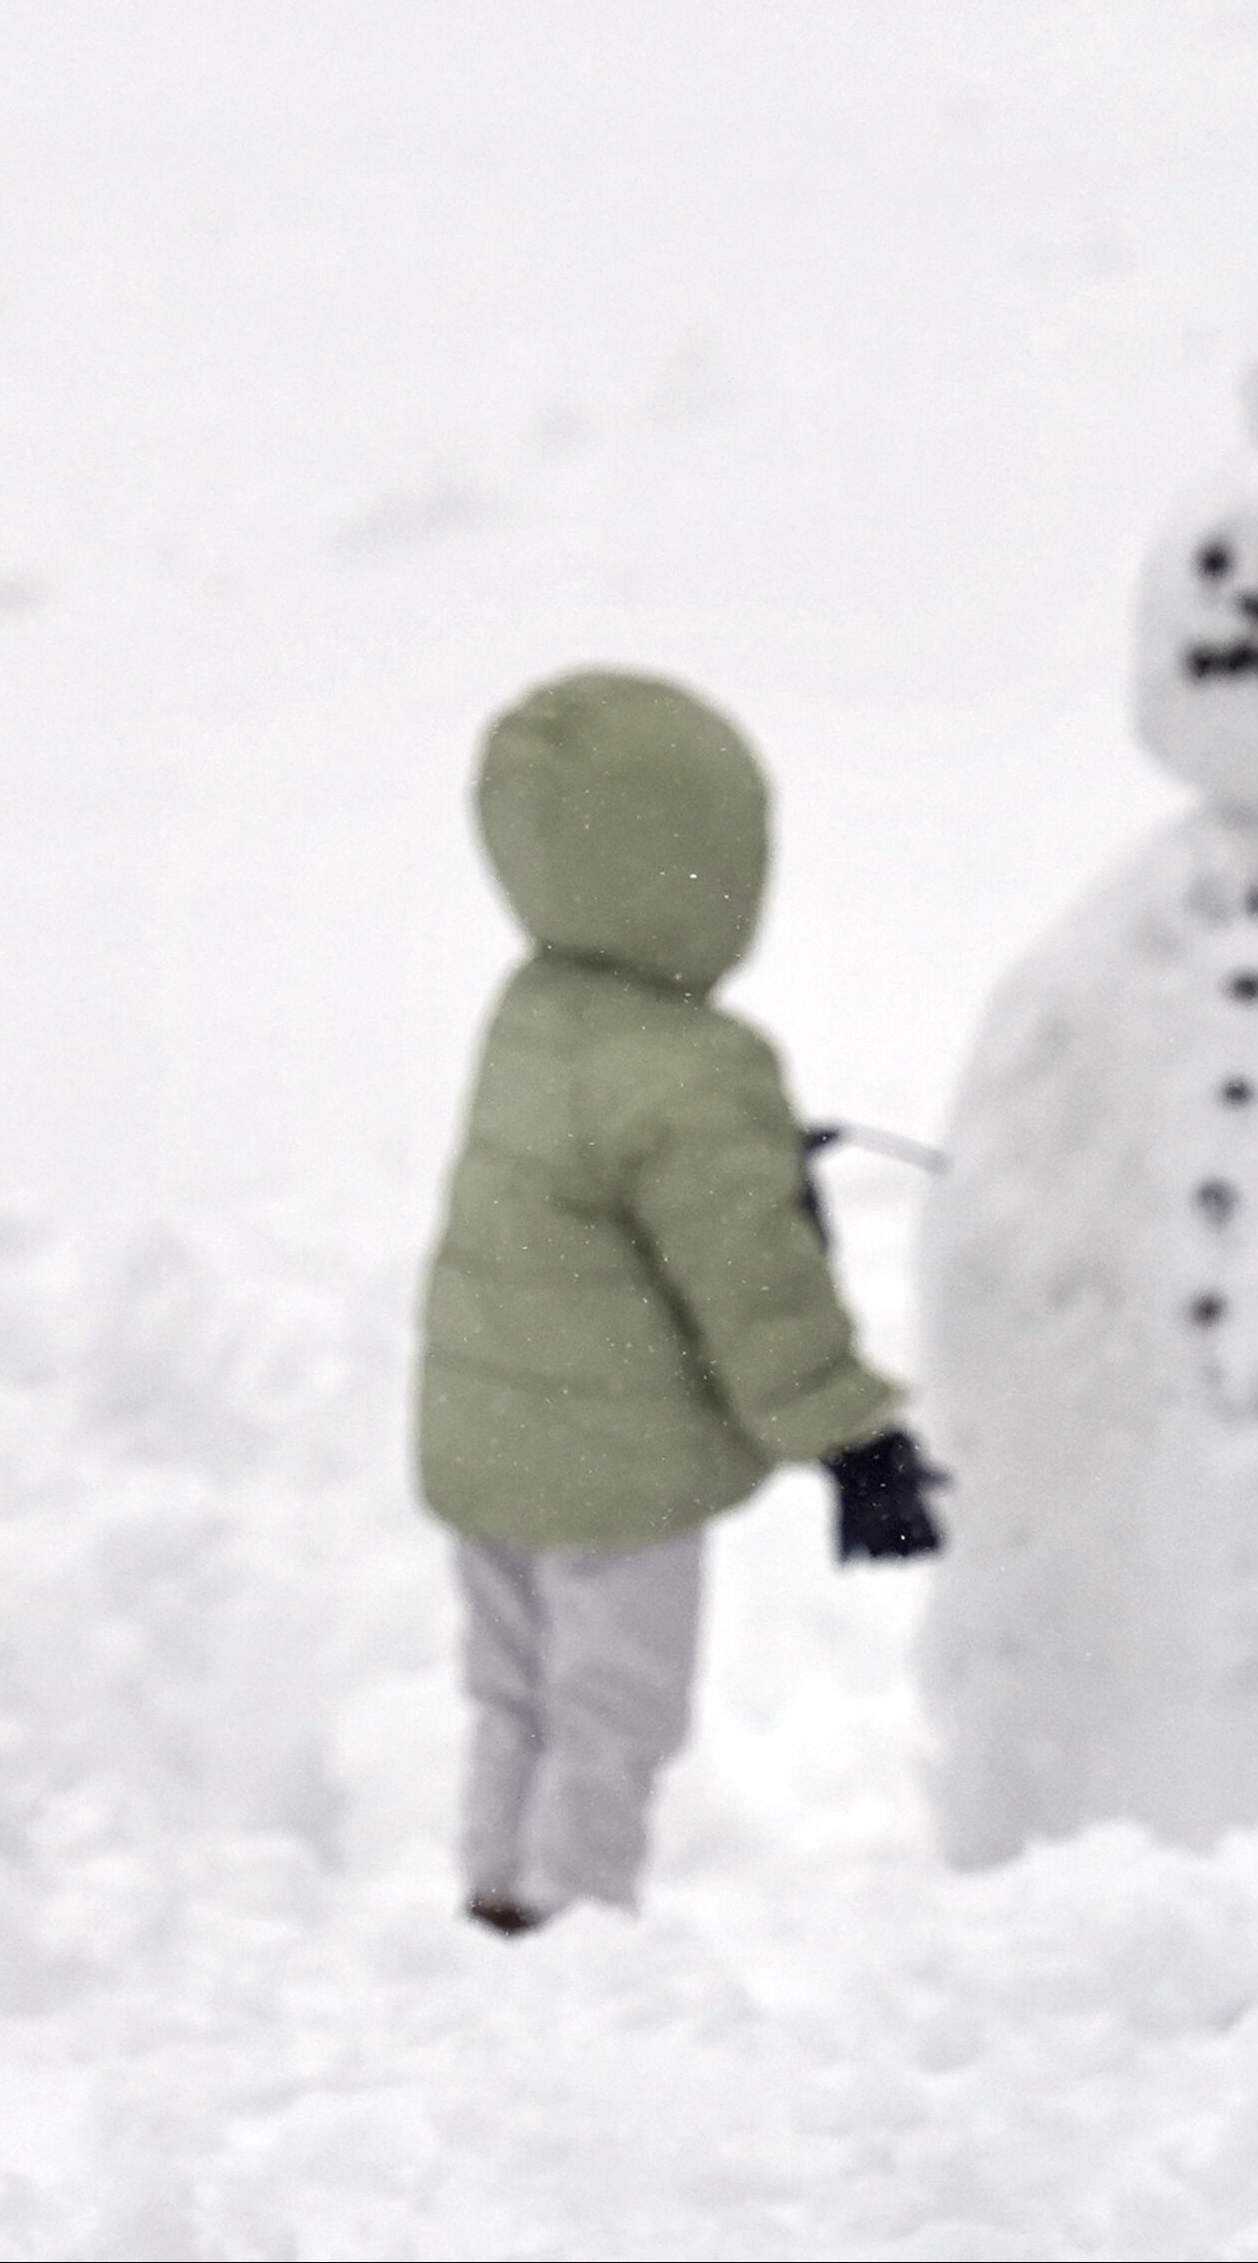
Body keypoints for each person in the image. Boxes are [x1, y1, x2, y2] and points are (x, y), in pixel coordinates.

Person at [412, 669, 942, 1933]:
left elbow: (601, 1175)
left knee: (515, 1691)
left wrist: (743, 1151)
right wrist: (853, 1442)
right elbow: (753, 1289)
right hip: (609, 1473)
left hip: (484, 1439)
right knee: (614, 1709)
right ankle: (571, 1925)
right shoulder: (698, 1070)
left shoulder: (535, 1008)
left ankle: (495, 1898)